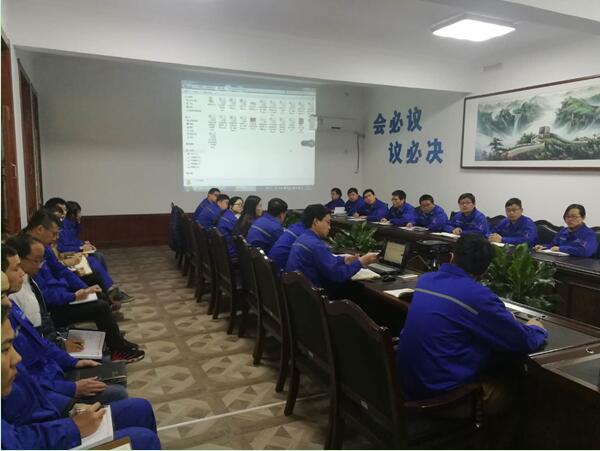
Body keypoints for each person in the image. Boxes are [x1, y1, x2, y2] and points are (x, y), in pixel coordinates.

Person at [396, 234, 547, 405]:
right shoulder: (478, 296)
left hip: (408, 383)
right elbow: (522, 341)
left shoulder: (426, 280)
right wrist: (537, 328)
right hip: (442, 397)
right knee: (519, 386)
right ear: (485, 269)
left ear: (452, 257)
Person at [0, 299, 161, 450]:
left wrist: (69, 406)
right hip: (48, 433)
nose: (17, 357)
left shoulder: (9, 314)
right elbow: (16, 443)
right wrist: (72, 427)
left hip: (50, 419)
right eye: (5, 349)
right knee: (142, 439)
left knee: (140, 408)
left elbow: (33, 384)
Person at [1, 249, 128, 412]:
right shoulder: (8, 316)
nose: (22, 272)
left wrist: (72, 362)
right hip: (49, 388)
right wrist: (71, 390)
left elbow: (42, 344)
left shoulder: (12, 308)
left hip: (53, 372)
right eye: (16, 268)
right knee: (119, 393)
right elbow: (26, 383)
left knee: (111, 366)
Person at [8, 233, 144, 363]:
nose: (40, 265)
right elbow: (41, 323)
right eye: (36, 261)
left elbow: (59, 272)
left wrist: (82, 290)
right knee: (100, 307)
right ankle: (117, 348)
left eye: (41, 261)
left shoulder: (29, 275)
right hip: (56, 309)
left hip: (59, 300)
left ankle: (116, 341)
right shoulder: (16, 291)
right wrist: (73, 296)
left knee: (97, 292)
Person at [286, 204, 378, 291]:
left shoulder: (303, 238)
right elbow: (337, 275)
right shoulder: (316, 245)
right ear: (316, 221)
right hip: (314, 297)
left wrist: (344, 260)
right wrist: (361, 262)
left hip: (300, 293)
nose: (329, 227)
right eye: (328, 222)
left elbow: (326, 261)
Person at [534, 204, 598, 257]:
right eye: (567, 216)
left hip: (579, 265)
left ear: (583, 217)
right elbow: (553, 245)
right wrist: (543, 247)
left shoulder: (589, 234)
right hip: (560, 262)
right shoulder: (563, 231)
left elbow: (585, 252)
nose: (570, 219)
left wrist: (561, 249)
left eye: (574, 217)